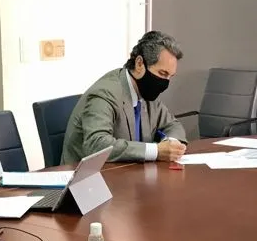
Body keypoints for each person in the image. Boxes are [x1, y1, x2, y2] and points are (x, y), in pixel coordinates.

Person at [61, 30, 188, 164]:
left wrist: (171, 144)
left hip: (130, 172)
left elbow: (173, 125)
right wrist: (156, 151)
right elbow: (96, 144)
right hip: (88, 175)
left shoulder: (148, 94)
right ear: (139, 64)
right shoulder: (105, 93)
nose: (165, 83)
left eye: (170, 76)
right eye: (162, 73)